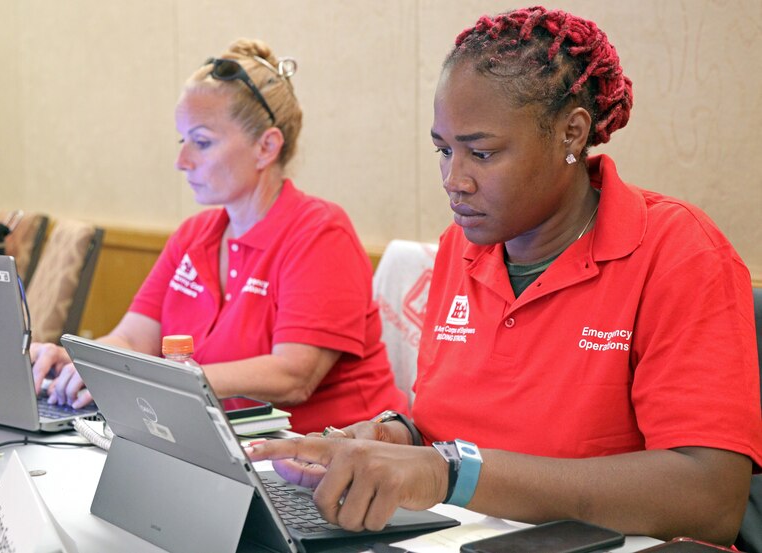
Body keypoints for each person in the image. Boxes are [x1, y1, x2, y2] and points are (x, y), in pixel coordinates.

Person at [248, 6, 762, 545]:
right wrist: (391, 438)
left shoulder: (678, 252)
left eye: (482, 153)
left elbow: (710, 497)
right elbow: (453, 426)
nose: (454, 180)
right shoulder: (462, 248)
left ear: (571, 133)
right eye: (444, 151)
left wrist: (448, 472)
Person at [30, 38, 408, 434]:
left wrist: (163, 382)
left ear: (266, 147)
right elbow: (130, 338)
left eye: (202, 142)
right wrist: (83, 364)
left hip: (339, 462)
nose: (182, 161)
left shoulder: (320, 233)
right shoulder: (194, 235)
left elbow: (293, 376)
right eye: (182, 141)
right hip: (229, 448)